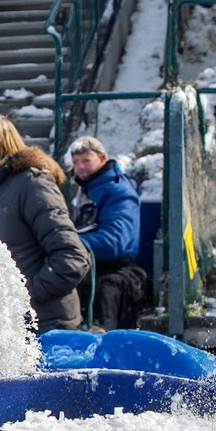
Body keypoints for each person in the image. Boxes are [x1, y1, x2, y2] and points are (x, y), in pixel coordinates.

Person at [0, 115, 90, 332]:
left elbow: (72, 258)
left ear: (6, 139)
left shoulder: (31, 183)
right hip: (12, 324)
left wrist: (25, 296)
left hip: (46, 326)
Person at [68, 136, 151, 332]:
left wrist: (68, 242)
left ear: (103, 158)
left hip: (113, 271)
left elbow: (115, 242)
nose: (80, 167)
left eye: (86, 160)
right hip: (90, 267)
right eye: (76, 162)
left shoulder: (119, 193)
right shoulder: (84, 190)